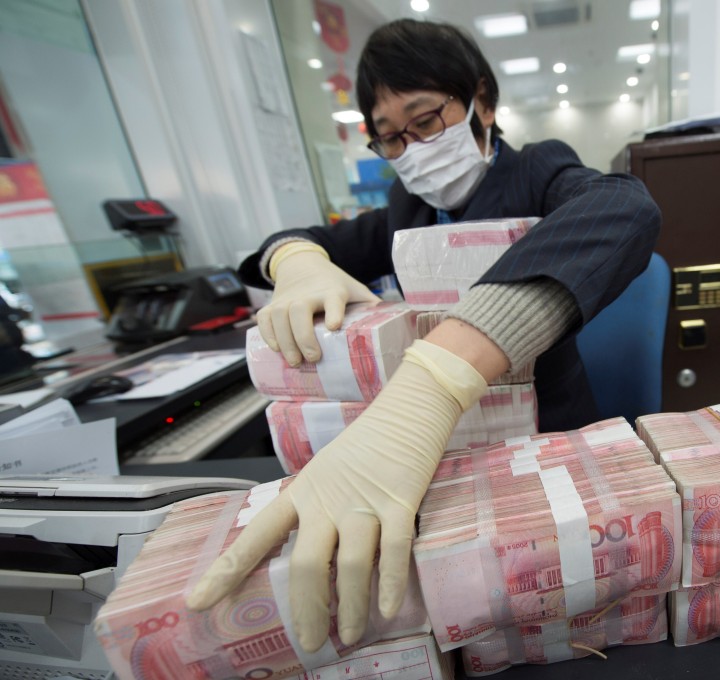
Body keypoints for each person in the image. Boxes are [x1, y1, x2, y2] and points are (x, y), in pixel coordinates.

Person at [187, 18, 661, 655]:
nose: (412, 149)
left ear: (481, 102)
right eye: (391, 137)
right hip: (436, 453)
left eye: (426, 121)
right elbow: (302, 240)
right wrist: (295, 260)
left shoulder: (537, 170)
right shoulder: (406, 208)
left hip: (542, 437)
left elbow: (625, 208)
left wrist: (436, 378)